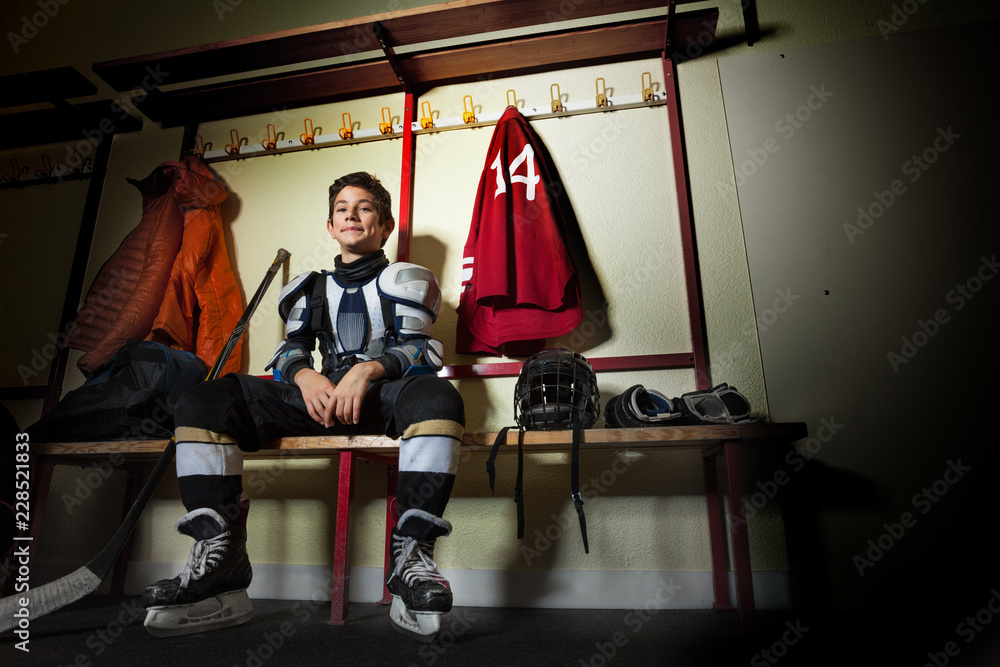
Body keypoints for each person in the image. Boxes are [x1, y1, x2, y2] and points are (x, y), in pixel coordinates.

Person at [141, 172, 465, 642]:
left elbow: (422, 351)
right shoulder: (308, 287)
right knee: (203, 400)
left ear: (386, 225)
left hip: (381, 398)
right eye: (341, 209)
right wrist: (304, 375)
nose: (352, 214)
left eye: (365, 207)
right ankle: (221, 558)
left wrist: (369, 370)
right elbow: (290, 351)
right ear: (331, 226)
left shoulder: (405, 279)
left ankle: (411, 558)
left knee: (439, 398)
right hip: (316, 398)